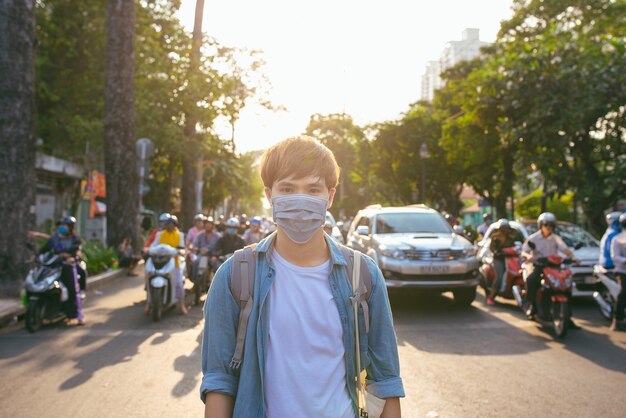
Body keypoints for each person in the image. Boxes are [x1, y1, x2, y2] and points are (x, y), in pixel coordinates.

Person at [200, 135, 404, 417]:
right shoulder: (234, 276)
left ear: (330, 196)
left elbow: (385, 380)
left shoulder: (363, 275)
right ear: (269, 195)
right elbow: (219, 382)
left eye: (312, 190)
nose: (300, 200)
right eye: (287, 188)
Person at [521, 212, 580, 328]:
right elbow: (524, 251)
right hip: (539, 265)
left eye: (551, 225)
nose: (549, 228)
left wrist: (573, 258)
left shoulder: (556, 238)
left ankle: (567, 316)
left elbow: (565, 249)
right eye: (546, 225)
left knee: (566, 286)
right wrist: (529, 257)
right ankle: (530, 303)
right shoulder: (533, 238)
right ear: (540, 226)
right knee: (532, 279)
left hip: (554, 266)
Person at [39, 216, 84, 325]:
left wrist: (70, 256)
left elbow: (76, 251)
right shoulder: (54, 238)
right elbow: (44, 249)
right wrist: (37, 256)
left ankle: (75, 316)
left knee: (71, 290)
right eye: (61, 226)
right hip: (53, 266)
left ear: (70, 227)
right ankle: (48, 313)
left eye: (65, 226)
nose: (62, 228)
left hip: (67, 267)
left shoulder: (75, 239)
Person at [148, 216, 188, 315]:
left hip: (174, 261)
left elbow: (182, 248)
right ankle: (148, 305)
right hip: (159, 260)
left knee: (179, 283)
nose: (169, 226)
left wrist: (181, 252)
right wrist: (148, 250)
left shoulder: (179, 235)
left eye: (172, 224)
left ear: (175, 225)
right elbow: (153, 245)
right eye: (168, 224)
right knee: (148, 277)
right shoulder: (159, 234)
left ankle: (181, 305)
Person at [486, 219, 522, 305]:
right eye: (504, 228)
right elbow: (492, 248)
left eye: (507, 228)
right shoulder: (495, 237)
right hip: (499, 259)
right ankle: (491, 297)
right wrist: (497, 252)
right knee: (499, 276)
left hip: (510, 259)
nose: (506, 230)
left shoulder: (511, 238)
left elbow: (515, 248)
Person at [190, 216, 221, 282]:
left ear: (212, 225)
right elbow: (194, 245)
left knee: (218, 267)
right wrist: (196, 249)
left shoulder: (217, 236)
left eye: (209, 224)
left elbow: (220, 248)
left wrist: (215, 256)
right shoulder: (200, 235)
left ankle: (218, 283)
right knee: (195, 262)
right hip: (202, 256)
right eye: (206, 224)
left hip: (213, 256)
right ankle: (194, 280)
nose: (208, 226)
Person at [609, 213, 626, 331]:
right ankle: (617, 318)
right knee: (623, 292)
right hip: (622, 271)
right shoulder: (617, 239)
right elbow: (615, 256)